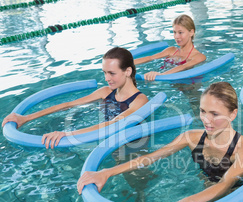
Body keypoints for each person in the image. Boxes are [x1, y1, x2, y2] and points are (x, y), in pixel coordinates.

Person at [77, 82, 243, 202]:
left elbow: (225, 184)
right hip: (212, 183)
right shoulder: (192, 138)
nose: (206, 119)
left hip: (242, 190)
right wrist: (107, 172)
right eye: (203, 111)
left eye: (215, 114)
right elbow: (151, 157)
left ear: (232, 114)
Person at [2, 47, 148, 149]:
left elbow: (113, 124)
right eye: (104, 73)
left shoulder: (140, 100)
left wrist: (67, 134)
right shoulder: (105, 92)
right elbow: (68, 104)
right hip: (108, 142)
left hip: (131, 147)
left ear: (128, 71)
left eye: (112, 73)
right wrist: (26, 118)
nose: (106, 78)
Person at [134, 14, 206, 81]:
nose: (176, 36)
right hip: (168, 82)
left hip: (188, 85)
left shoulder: (199, 56)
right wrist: (126, 64)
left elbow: (183, 67)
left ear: (191, 32)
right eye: (174, 32)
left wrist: (161, 75)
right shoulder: (171, 51)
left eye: (180, 32)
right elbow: (151, 58)